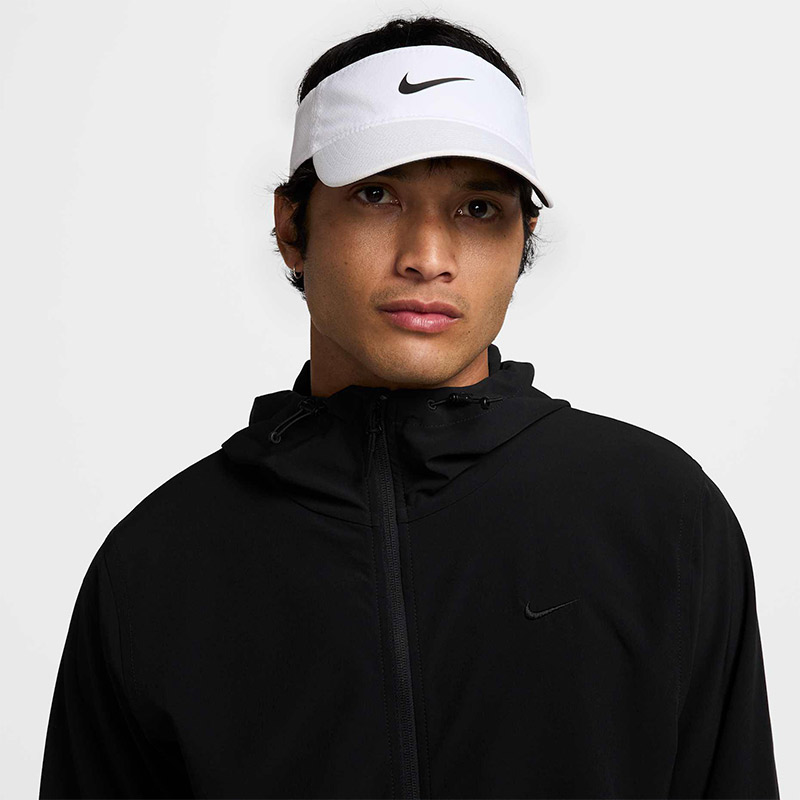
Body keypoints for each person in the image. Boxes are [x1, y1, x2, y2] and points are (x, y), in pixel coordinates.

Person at [39, 15, 779, 799]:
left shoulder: (659, 518)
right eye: (377, 195)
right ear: (292, 227)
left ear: (524, 238)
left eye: (478, 209)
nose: (427, 258)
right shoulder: (160, 563)